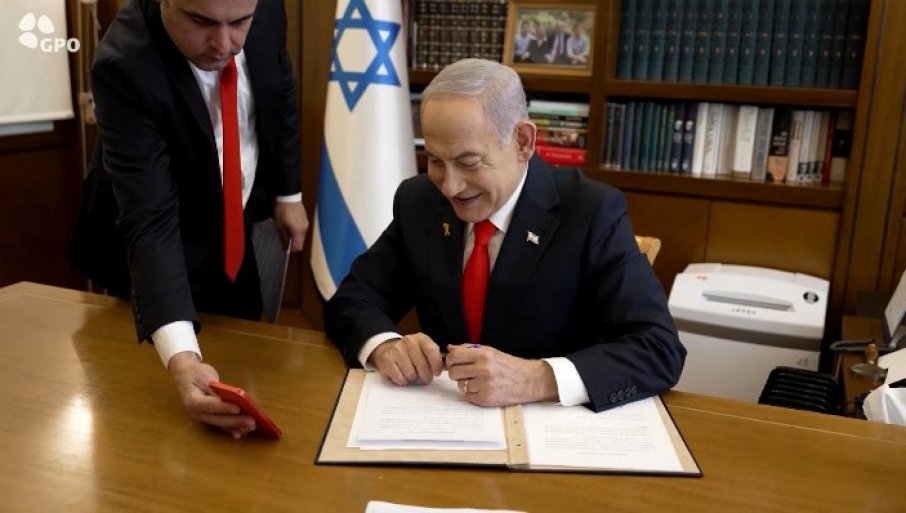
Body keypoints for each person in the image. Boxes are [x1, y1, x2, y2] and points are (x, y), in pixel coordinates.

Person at [324, 59, 685, 413]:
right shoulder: (420, 201)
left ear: (523, 142)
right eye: (435, 161)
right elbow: (352, 300)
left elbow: (659, 349)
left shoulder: (590, 211)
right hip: (445, 419)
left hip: (553, 430)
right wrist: (385, 346)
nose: (450, 187)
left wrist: (536, 378)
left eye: (469, 162)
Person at [68, 0, 309, 438]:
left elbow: (280, 93)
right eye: (200, 22)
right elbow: (150, 220)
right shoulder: (125, 64)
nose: (224, 44)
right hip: (149, 238)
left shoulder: (266, 8)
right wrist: (182, 358)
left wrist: (287, 193)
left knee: (242, 361)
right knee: (138, 414)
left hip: (232, 225)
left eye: (239, 23)